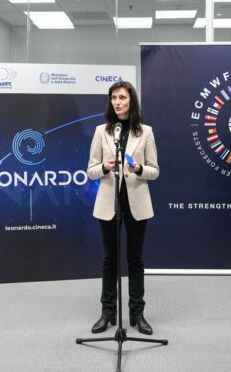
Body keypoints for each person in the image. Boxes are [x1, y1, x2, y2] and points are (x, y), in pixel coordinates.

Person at [87, 81, 159, 335]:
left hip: (137, 203)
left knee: (135, 259)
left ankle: (137, 314)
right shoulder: (101, 131)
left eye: (122, 98)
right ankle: (108, 312)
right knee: (110, 260)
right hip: (109, 203)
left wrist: (139, 169)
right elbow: (90, 170)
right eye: (114, 98)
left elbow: (154, 171)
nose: (117, 102)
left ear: (132, 101)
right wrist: (104, 167)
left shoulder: (145, 132)